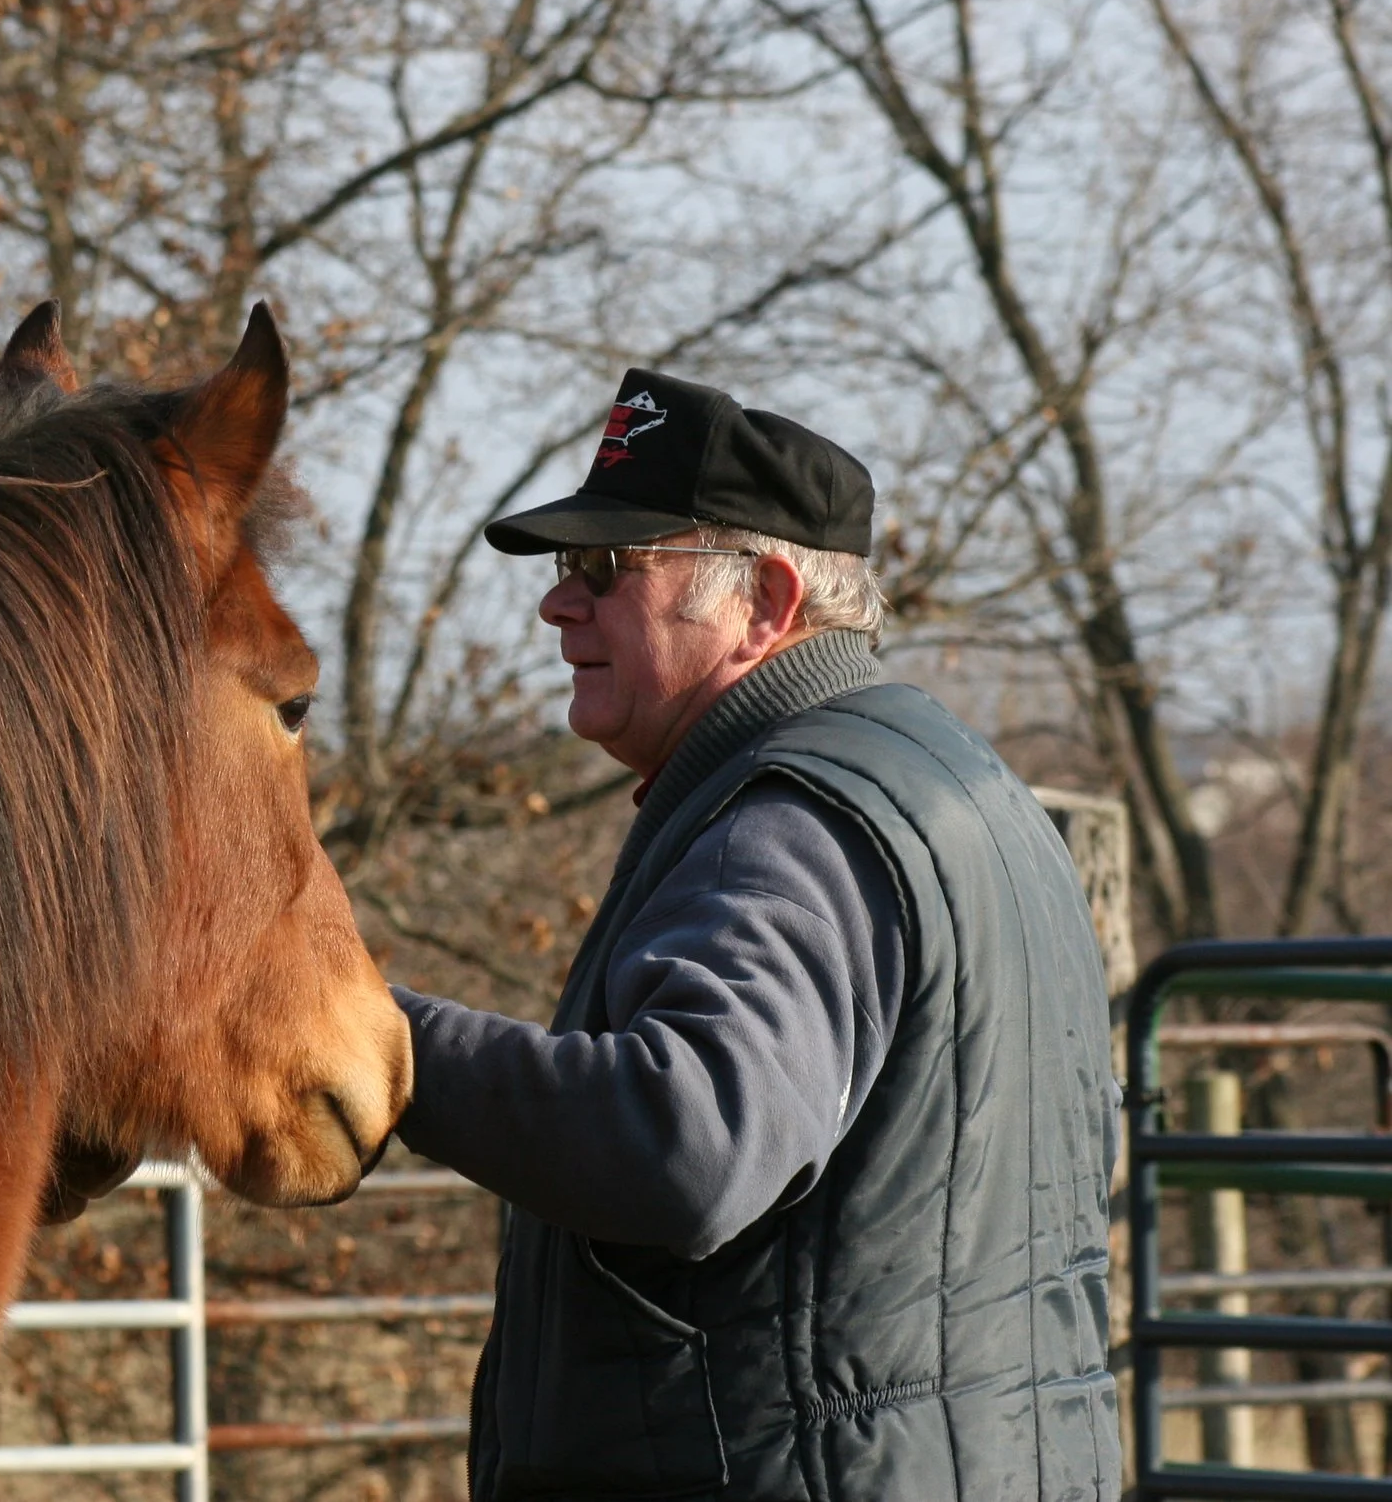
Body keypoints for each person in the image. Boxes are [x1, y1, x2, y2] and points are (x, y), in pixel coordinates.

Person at [391, 370, 1119, 1502]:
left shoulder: (790, 817)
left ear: (766, 600)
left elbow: (689, 1143)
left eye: (606, 567)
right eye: (561, 569)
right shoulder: (951, 787)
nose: (556, 605)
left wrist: (379, 1044)